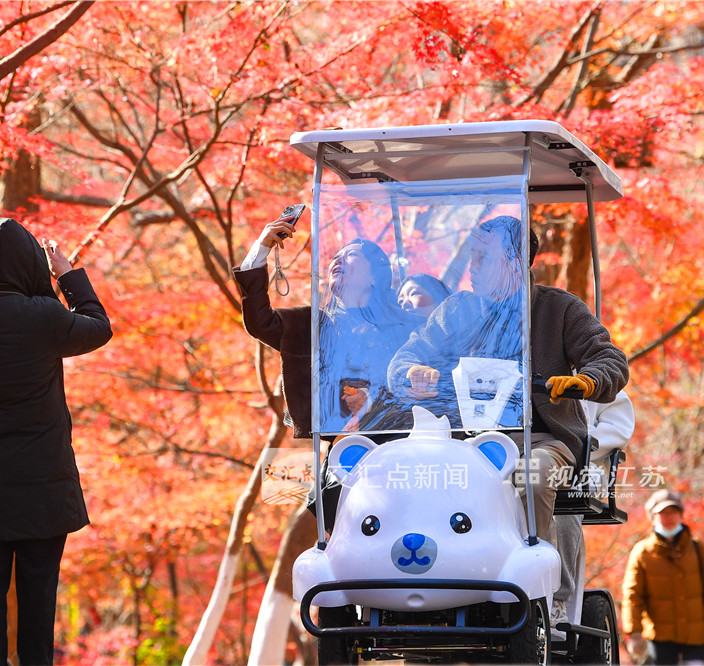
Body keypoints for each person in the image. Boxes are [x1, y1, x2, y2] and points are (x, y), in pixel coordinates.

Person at [0, 217, 112, 666]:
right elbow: (98, 325)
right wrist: (66, 274)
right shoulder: (44, 317)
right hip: (41, 482)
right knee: (38, 593)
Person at [387, 215, 630, 541]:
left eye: (483, 257)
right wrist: (410, 373)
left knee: (533, 475)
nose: (472, 266)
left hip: (545, 442)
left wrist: (586, 381)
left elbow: (609, 359)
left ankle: (534, 578)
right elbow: (405, 359)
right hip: (464, 443)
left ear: (515, 262)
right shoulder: (458, 309)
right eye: (471, 256)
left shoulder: (560, 308)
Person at [235, 214, 421, 438]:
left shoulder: (406, 325)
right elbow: (259, 323)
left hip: (406, 443)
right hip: (346, 454)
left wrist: (373, 399)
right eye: (335, 257)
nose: (338, 261)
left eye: (350, 255)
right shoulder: (312, 326)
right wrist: (261, 248)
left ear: (375, 277)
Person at [551, 390, 636, 633]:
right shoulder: (533, 368)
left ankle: (558, 597)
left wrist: (578, 443)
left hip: (587, 464)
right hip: (536, 456)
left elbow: (618, 428)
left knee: (567, 495)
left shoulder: (601, 380)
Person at [622, 489, 704, 665]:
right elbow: (632, 596)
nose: (669, 517)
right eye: (662, 513)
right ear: (652, 517)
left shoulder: (697, 548)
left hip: (696, 636)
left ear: (681, 514)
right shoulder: (642, 553)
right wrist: (633, 632)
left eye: (673, 511)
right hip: (660, 638)